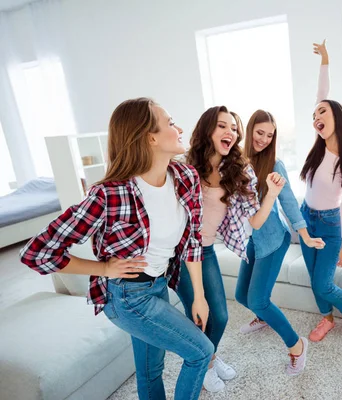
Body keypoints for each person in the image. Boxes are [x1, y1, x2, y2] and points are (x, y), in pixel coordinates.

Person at [20, 98, 213, 400]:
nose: (179, 128)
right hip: (126, 296)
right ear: (150, 137)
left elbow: (192, 241)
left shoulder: (186, 178)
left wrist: (199, 297)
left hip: (158, 285)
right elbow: (37, 252)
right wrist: (103, 268)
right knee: (201, 351)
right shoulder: (111, 194)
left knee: (151, 370)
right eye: (171, 122)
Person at [180, 105, 284, 392]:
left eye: (234, 128)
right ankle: (205, 364)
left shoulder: (237, 169)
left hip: (207, 250)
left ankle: (208, 359)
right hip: (181, 254)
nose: (231, 132)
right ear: (208, 130)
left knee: (221, 316)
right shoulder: (184, 166)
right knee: (198, 316)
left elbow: (256, 221)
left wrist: (272, 194)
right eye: (223, 126)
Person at [235, 109, 326, 375]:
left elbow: (288, 202)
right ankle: (263, 318)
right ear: (250, 129)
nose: (263, 139)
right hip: (252, 238)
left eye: (269, 135)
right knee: (243, 295)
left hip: (274, 239)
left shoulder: (275, 164)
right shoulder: (238, 162)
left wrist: (306, 236)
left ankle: (297, 346)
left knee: (258, 299)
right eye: (259, 132)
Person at [300, 40, 342, 346]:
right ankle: (327, 318)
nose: (316, 117)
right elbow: (320, 94)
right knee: (314, 279)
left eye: (322, 112)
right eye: (314, 115)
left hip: (329, 224)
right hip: (305, 217)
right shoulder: (318, 150)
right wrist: (323, 61)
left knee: (322, 282)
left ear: (337, 116)